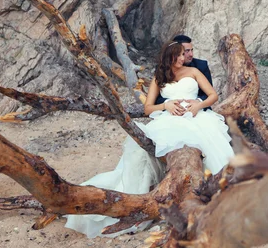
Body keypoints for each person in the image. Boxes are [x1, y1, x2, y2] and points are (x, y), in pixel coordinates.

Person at [65, 41, 233, 238]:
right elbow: (148, 108)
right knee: (147, 151)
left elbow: (213, 95)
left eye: (183, 54)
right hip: (170, 119)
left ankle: (209, 197)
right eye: (178, 55)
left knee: (210, 149)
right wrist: (167, 105)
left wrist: (198, 105)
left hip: (197, 117)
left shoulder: (194, 71)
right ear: (170, 57)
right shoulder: (159, 78)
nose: (183, 58)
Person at [155, 34, 213, 112]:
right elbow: (157, 97)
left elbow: (209, 93)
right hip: (171, 111)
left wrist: (198, 102)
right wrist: (167, 103)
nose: (191, 54)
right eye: (187, 51)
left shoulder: (201, 66)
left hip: (197, 110)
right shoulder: (162, 69)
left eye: (192, 50)